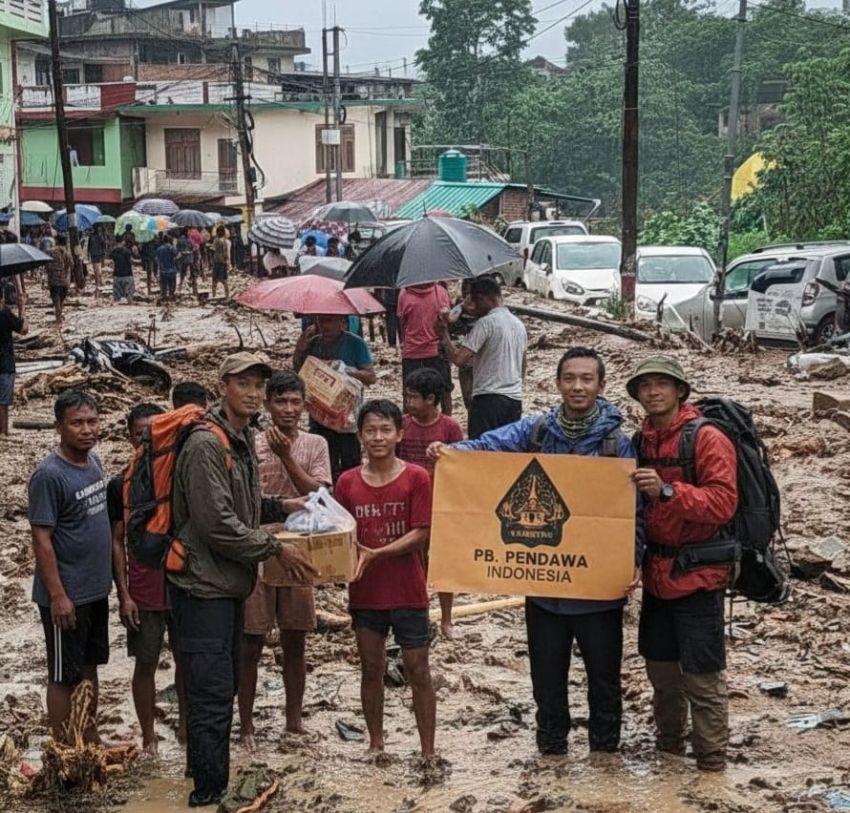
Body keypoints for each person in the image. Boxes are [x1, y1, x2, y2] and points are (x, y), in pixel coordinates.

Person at [428, 348, 644, 755]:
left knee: (604, 679)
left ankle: (605, 758)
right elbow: (490, 445)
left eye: (586, 379)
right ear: (557, 382)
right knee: (546, 679)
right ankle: (551, 757)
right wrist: (452, 453)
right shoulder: (538, 431)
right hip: (544, 587)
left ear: (601, 385)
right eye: (569, 378)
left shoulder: (619, 444)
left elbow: (634, 512)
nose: (578, 386)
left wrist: (634, 557)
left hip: (598, 587)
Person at [167, 352, 315, 808]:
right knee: (211, 692)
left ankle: (205, 773)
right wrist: (275, 548)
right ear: (222, 386)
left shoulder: (241, 437)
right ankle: (208, 794)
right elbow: (217, 523)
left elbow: (242, 504)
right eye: (244, 384)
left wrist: (280, 508)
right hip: (201, 586)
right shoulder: (206, 444)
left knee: (221, 685)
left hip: (227, 584)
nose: (252, 393)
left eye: (258, 386)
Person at [626, 356, 738, 772]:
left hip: (699, 576)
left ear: (680, 390)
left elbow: (724, 503)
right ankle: (669, 753)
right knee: (660, 672)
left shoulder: (706, 438)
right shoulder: (642, 441)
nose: (653, 392)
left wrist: (669, 491)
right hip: (656, 577)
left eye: (662, 384)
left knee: (703, 675)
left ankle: (711, 764)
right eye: (645, 386)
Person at [334, 399, 436, 760]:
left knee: (418, 669)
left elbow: (422, 532)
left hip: (409, 590)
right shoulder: (347, 482)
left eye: (385, 430)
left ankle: (427, 751)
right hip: (365, 592)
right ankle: (376, 743)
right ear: (360, 435)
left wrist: (378, 552)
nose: (378, 437)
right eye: (371, 430)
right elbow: (340, 534)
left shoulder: (417, 477)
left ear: (399, 434)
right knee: (371, 668)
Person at [238, 372, 332, 749]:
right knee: (251, 642)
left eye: (295, 403)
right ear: (267, 405)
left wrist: (286, 457)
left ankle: (294, 722)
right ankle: (245, 726)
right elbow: (244, 497)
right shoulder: (250, 443)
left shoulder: (316, 444)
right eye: (281, 402)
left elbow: (319, 496)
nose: (288, 410)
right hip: (257, 547)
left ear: (305, 405)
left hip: (301, 550)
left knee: (296, 640)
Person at [28, 391, 112, 743]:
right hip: (66, 595)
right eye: (77, 423)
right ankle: (64, 745)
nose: (86, 430)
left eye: (92, 421)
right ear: (59, 426)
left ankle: (88, 737)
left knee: (89, 666)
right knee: (62, 674)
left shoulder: (93, 463)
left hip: (95, 589)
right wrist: (59, 595)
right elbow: (41, 539)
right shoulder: (48, 476)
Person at [108, 403, 187, 756]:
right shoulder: (120, 482)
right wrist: (123, 594)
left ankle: (187, 730)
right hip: (143, 586)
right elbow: (117, 540)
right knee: (146, 662)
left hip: (183, 582)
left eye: (156, 432)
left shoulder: (180, 475)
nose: (148, 439)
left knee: (188, 660)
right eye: (142, 433)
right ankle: (149, 737)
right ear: (130, 437)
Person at [399, 368, 462, 638]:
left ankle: (447, 618)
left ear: (431, 399)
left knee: (442, 561)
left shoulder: (449, 427)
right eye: (407, 397)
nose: (409, 403)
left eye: (414, 398)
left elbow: (463, 463)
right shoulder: (403, 424)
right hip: (409, 501)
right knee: (414, 560)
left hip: (441, 501)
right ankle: (419, 613)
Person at [437, 277, 527, 438]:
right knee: (509, 450)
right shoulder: (519, 324)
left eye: (475, 301)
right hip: (514, 399)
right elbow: (523, 365)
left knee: (481, 452)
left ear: (482, 298)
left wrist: (443, 334)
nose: (474, 306)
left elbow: (459, 359)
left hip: (488, 398)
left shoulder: (485, 324)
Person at [293, 315, 376, 481]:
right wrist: (300, 349)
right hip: (319, 416)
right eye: (321, 320)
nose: (324, 325)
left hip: (347, 419)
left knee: (350, 466)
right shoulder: (314, 343)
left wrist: (346, 371)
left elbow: (371, 377)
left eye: (329, 320)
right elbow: (298, 370)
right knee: (322, 466)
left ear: (343, 324)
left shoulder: (355, 343)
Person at [397, 283, 453, 415]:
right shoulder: (440, 292)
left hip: (419, 352)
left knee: (441, 393)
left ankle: (445, 429)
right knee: (443, 393)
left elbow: (402, 324)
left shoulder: (404, 294)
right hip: (426, 353)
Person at [447, 279, 478, 413]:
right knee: (468, 400)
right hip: (465, 361)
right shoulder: (459, 309)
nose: (468, 297)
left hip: (481, 362)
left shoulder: (485, 312)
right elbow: (451, 326)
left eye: (471, 294)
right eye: (465, 293)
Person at [0, 282, 27, 435]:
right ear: (2, 299)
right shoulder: (5, 314)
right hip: (5, 364)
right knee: (3, 403)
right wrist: (22, 308)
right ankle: (3, 433)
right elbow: (23, 330)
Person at [46, 234, 73, 323]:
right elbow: (71, 265)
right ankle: (59, 318)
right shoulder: (67, 253)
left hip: (53, 281)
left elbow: (46, 265)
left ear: (56, 241)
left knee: (56, 301)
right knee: (60, 302)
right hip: (64, 281)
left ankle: (58, 321)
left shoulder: (50, 251)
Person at [211, 226, 231, 300]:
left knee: (214, 280)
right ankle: (227, 296)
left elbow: (213, 249)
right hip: (223, 262)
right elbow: (226, 253)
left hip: (217, 262)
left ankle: (213, 295)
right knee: (224, 280)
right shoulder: (225, 241)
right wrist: (228, 262)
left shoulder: (216, 240)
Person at [157, 235, 179, 302]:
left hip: (163, 270)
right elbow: (176, 254)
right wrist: (175, 245)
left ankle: (164, 298)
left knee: (163, 285)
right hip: (172, 269)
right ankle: (171, 297)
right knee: (172, 285)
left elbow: (157, 259)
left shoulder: (159, 249)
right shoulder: (172, 248)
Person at [177, 229, 197, 295]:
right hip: (190, 258)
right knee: (192, 274)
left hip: (183, 259)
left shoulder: (179, 240)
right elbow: (193, 248)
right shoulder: (190, 240)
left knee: (183, 273)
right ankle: (194, 289)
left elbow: (178, 249)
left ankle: (180, 286)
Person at [87, 225, 106, 295]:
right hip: (99, 254)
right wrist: (103, 252)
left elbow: (88, 247)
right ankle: (99, 281)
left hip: (93, 254)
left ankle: (98, 282)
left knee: (95, 268)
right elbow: (104, 245)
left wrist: (88, 255)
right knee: (98, 268)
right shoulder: (100, 237)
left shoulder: (91, 237)